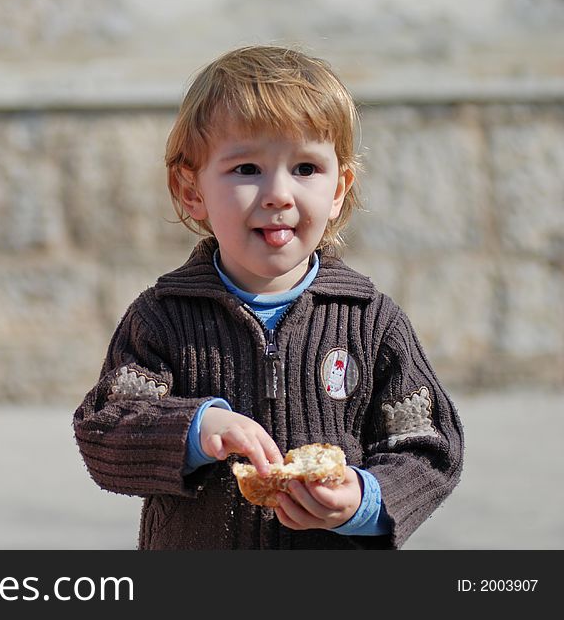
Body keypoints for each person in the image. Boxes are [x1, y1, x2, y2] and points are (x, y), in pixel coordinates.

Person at [73, 45, 464, 549]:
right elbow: (105, 428)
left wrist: (365, 499)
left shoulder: (370, 322)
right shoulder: (163, 317)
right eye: (247, 169)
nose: (279, 193)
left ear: (340, 188)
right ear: (191, 190)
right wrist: (195, 428)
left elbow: (427, 445)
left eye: (305, 168)